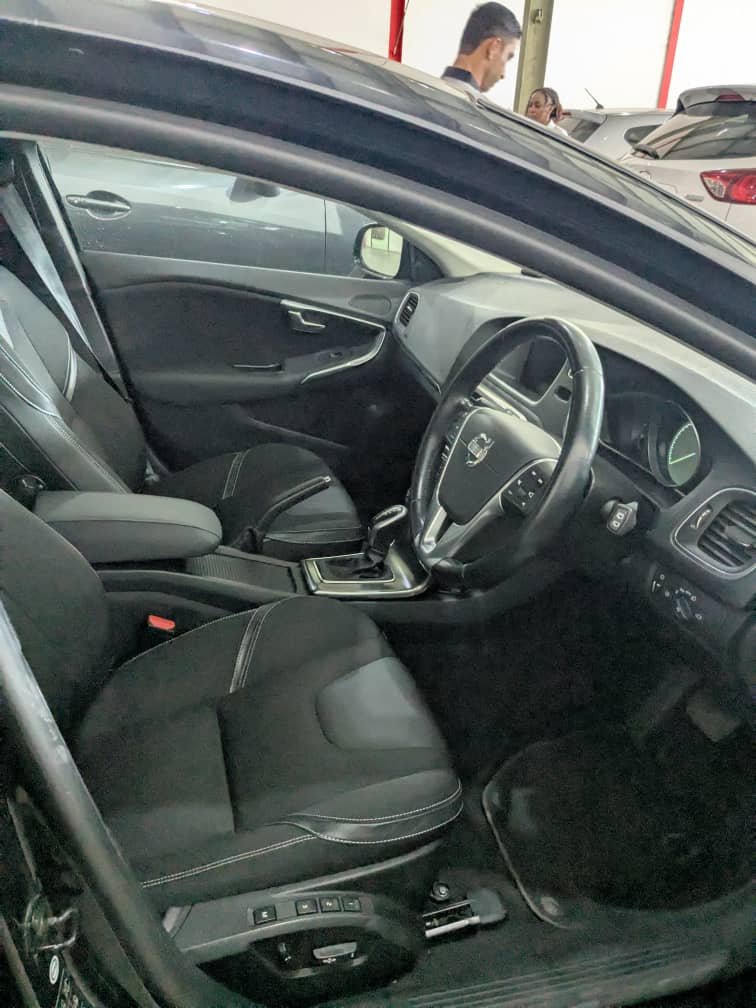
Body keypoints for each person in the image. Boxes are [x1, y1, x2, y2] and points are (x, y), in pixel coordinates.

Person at [441, 2, 522, 95]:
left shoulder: (428, 92)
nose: (503, 74)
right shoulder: (473, 104)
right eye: (507, 57)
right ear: (494, 47)